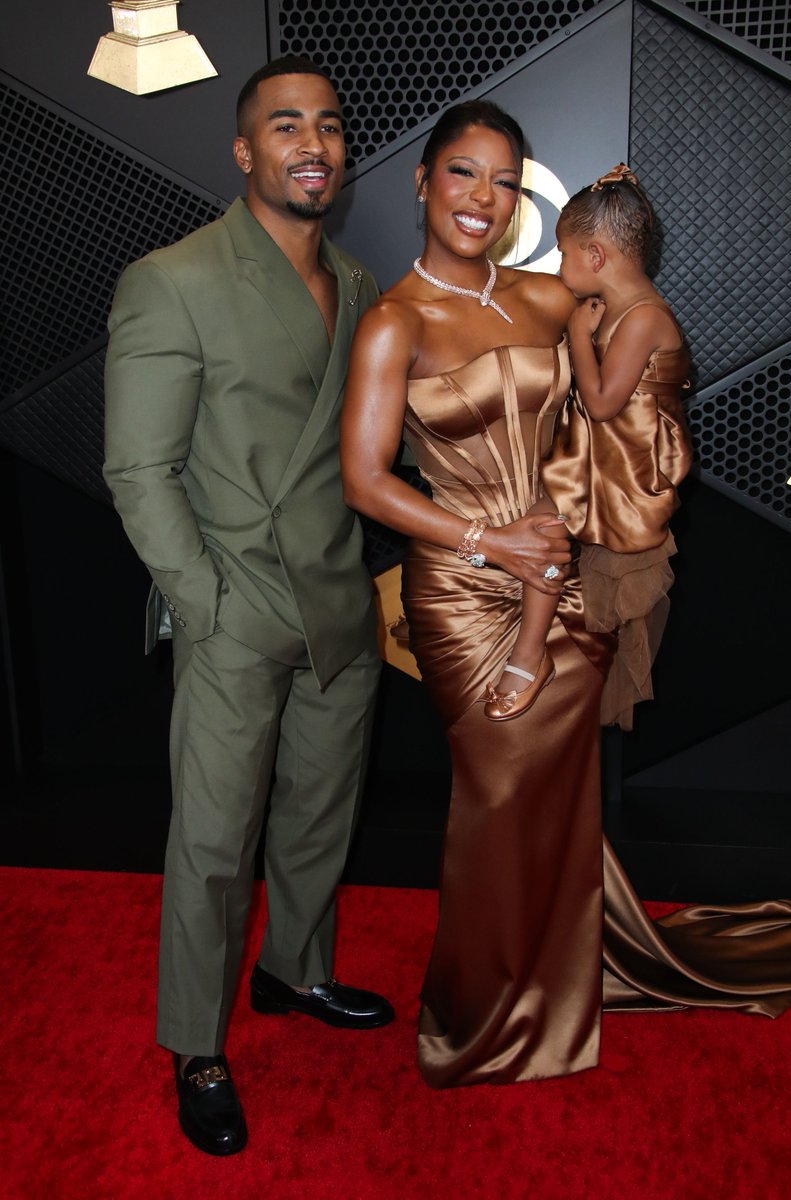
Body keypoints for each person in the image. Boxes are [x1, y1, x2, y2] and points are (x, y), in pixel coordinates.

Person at [341, 100, 791, 1090]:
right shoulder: (392, 322)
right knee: (495, 798)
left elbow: (630, 343)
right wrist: (484, 537)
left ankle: (554, 983)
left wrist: (636, 471)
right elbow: (363, 480)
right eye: (463, 174)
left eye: (504, 182)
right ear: (422, 182)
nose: (483, 199)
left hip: (560, 581)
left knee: (553, 798)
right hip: (465, 592)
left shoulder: (548, 299)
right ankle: (478, 1014)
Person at [104, 56, 393, 1155]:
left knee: (321, 814)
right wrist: (204, 602)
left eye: (326, 125)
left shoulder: (360, 286)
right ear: (244, 151)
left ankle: (295, 973)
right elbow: (137, 470)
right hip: (233, 605)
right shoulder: (172, 279)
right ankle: (198, 1044)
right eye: (285, 126)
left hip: (336, 599)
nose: (311, 144)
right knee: (214, 845)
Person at [486, 163, 693, 727]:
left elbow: (602, 402)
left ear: (596, 256)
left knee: (546, 521)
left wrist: (577, 335)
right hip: (601, 450)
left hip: (625, 463)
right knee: (539, 520)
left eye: (564, 253)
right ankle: (509, 633)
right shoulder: (623, 310)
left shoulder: (644, 317)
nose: (559, 266)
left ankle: (528, 657)